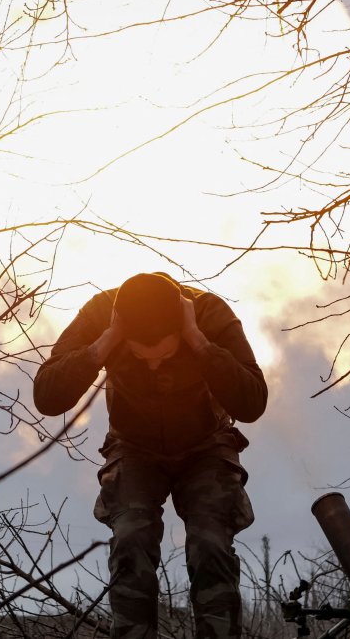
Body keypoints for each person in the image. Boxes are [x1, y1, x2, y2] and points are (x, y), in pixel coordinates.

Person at [34, 272, 267, 639]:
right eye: (144, 357)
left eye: (168, 354)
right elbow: (46, 396)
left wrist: (200, 344)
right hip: (133, 448)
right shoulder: (100, 315)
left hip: (206, 444)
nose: (155, 365)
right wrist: (103, 344)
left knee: (210, 543)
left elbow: (253, 402)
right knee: (130, 540)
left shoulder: (208, 313)